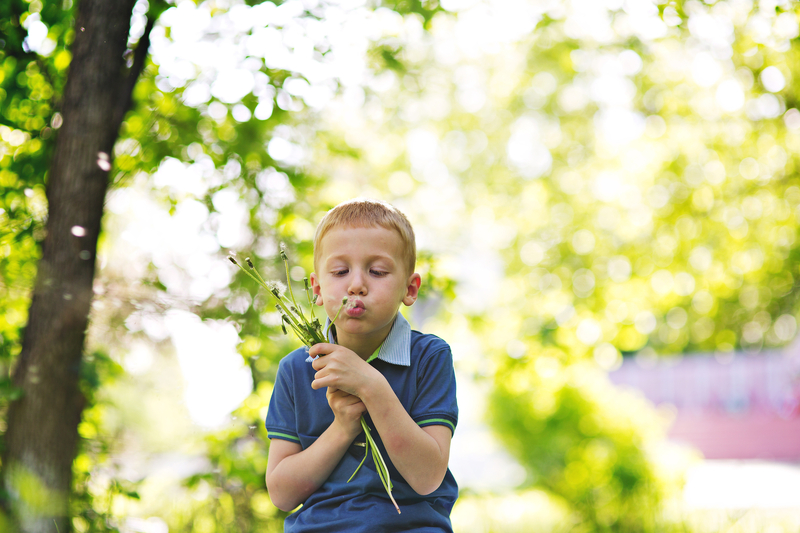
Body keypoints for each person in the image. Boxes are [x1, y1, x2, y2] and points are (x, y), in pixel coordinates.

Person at [265, 198, 459, 532]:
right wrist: (343, 427)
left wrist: (371, 386)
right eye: (340, 272)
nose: (356, 285)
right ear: (317, 288)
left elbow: (427, 477)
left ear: (410, 289)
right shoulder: (296, 369)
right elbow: (282, 494)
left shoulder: (429, 357)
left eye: (377, 272)